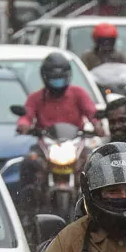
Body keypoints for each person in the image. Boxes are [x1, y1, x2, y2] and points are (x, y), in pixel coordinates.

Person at [15, 53, 100, 236]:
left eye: (61, 77)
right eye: (54, 78)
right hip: (46, 146)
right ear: (45, 77)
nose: (58, 82)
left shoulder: (78, 94)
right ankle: (25, 215)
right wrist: (23, 125)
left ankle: (98, 210)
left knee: (96, 165)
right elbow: (27, 115)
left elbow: (92, 113)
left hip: (75, 144)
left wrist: (98, 125)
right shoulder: (36, 98)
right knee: (28, 164)